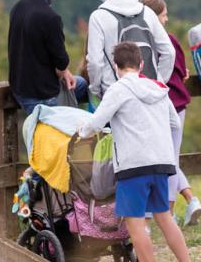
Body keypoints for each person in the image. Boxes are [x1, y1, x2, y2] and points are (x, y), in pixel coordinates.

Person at [77, 43, 191, 262]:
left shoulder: (118, 90)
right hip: (161, 162)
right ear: (141, 64)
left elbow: (97, 122)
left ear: (116, 67)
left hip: (133, 166)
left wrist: (82, 131)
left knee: (135, 225)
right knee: (165, 218)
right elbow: (174, 123)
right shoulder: (158, 88)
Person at [140, 0, 201, 226]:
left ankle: (170, 211)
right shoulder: (170, 41)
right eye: (164, 15)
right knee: (171, 160)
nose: (166, 19)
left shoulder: (140, 45)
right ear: (155, 16)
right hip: (176, 104)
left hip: (154, 108)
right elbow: (184, 71)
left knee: (164, 161)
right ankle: (181, 206)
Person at [8, 0, 88, 114]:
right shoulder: (50, 17)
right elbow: (61, 60)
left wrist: (64, 72)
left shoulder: (18, 7)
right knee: (83, 86)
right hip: (42, 94)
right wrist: (64, 69)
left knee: (79, 84)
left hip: (19, 90)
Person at [86, 0, 175, 105]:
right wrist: (157, 82)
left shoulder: (98, 17)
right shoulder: (147, 12)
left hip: (115, 94)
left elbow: (95, 62)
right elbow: (169, 52)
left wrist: (96, 89)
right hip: (148, 92)